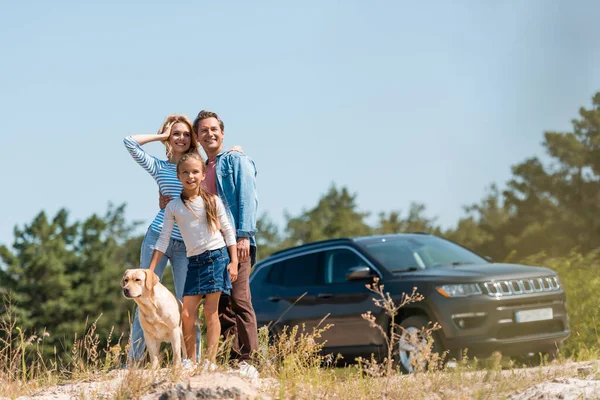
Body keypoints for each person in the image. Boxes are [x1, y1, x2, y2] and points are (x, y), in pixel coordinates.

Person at [159, 110, 259, 376]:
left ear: (222, 133)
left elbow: (247, 198)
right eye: (203, 131)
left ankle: (249, 360)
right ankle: (231, 359)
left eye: (214, 129)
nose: (209, 134)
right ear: (198, 137)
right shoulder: (204, 165)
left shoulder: (234, 160)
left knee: (239, 301)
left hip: (237, 241)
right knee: (221, 307)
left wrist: (243, 236)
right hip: (214, 248)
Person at [148, 151, 238, 368]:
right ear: (178, 176)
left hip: (217, 257)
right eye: (185, 172)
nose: (191, 176)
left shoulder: (213, 201)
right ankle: (190, 360)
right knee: (187, 314)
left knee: (210, 310)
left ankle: (210, 361)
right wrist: (150, 270)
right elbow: (163, 239)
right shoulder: (173, 207)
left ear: (203, 174)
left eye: (195, 172)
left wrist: (233, 261)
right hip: (195, 262)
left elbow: (228, 231)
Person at [123, 114, 201, 363]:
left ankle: (191, 360)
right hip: (158, 238)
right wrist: (162, 136)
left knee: (187, 303)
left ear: (192, 139)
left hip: (187, 244)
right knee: (141, 297)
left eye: (186, 134)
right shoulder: (159, 166)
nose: (181, 138)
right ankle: (133, 362)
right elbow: (129, 142)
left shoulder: (198, 166)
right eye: (175, 133)